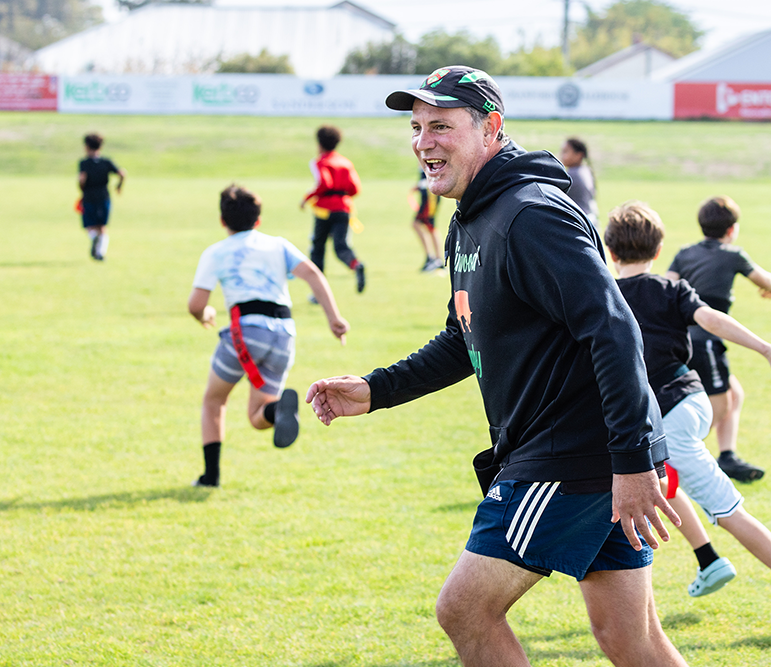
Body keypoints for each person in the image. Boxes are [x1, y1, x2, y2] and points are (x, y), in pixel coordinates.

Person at [306, 66, 688, 667]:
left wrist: (633, 461)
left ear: (491, 128)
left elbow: (614, 329)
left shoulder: (531, 215)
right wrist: (376, 390)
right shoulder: (469, 219)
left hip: (569, 456)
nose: (423, 142)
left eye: (441, 126)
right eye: (416, 127)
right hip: (583, 457)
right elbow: (463, 338)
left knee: (464, 609)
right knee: (628, 637)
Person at [606, 200, 771, 640]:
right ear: (658, 250)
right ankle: (708, 560)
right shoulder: (672, 289)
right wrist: (768, 350)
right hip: (692, 402)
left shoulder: (606, 296)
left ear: (611, 252)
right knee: (656, 480)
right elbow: (712, 319)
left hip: (667, 420)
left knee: (727, 510)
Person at [189, 185, 350, 488]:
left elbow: (196, 305)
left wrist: (205, 315)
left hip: (246, 333)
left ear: (222, 221)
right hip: (283, 334)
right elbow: (312, 274)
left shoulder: (216, 252)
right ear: (258, 219)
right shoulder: (278, 245)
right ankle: (277, 411)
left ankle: (210, 477)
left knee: (214, 400)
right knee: (256, 416)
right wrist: (334, 318)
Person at [666, 195, 771, 483]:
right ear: (732, 229)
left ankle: (727, 455)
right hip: (706, 341)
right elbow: (766, 281)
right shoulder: (734, 255)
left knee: (734, 393)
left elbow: (667, 285)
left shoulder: (684, 253)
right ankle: (672, 457)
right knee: (719, 407)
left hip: (680, 339)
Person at [300, 125, 366, 293]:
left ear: (319, 143)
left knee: (318, 248)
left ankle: (317, 291)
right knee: (341, 246)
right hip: (344, 209)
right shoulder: (345, 162)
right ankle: (356, 264)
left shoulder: (320, 162)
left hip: (324, 211)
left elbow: (324, 183)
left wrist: (307, 198)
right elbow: (355, 188)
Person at [78, 133, 125, 261]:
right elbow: (122, 173)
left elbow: (82, 179)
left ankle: (94, 238)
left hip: (89, 197)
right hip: (104, 196)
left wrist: (81, 188)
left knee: (90, 225)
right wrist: (119, 186)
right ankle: (100, 253)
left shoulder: (84, 163)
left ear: (86, 146)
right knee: (102, 226)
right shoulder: (106, 162)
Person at [559, 137, 598, 226]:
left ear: (579, 155)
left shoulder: (572, 174)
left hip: (579, 221)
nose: (562, 155)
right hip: (590, 218)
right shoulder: (586, 170)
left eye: (566, 152)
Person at [411, 169, 444, 271]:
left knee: (425, 225)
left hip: (430, 195)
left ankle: (434, 259)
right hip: (427, 193)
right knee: (426, 226)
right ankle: (434, 259)